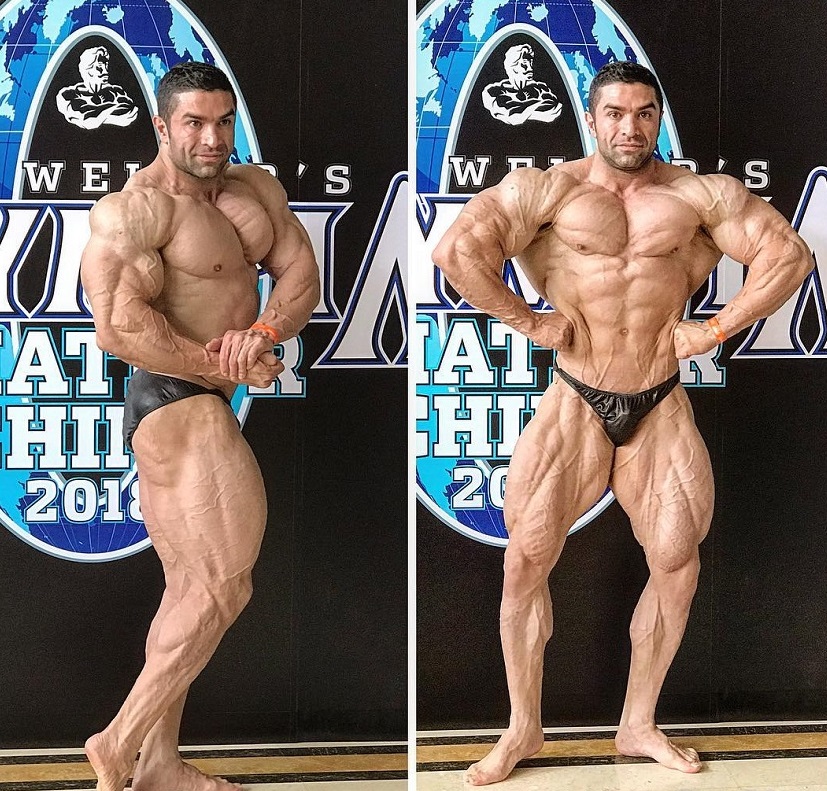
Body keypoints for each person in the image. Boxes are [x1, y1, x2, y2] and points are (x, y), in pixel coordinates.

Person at [432, 60, 813, 786]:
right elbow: (457, 252)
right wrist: (525, 319)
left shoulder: (698, 194)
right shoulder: (549, 189)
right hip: (575, 394)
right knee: (525, 557)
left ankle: (637, 723)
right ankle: (522, 728)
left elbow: (786, 255)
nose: (628, 127)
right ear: (591, 115)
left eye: (642, 113)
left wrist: (716, 327)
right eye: (614, 112)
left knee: (675, 559)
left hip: (658, 396)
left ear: (657, 117)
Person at [80, 61, 319, 791]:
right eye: (193, 123)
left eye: (222, 121)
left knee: (188, 590)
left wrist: (265, 329)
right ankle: (117, 741)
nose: (211, 137)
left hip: (211, 395)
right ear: (161, 126)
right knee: (222, 587)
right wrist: (222, 367)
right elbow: (118, 327)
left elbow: (301, 270)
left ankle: (158, 763)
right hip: (172, 398)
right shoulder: (137, 210)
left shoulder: (256, 191)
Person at [57, 46, 138, 129]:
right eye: (99, 67)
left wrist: (98, 115)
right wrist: (114, 110)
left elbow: (131, 113)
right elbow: (86, 120)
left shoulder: (116, 91)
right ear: (87, 70)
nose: (105, 71)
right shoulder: (67, 94)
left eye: (106, 65)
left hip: (116, 139)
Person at [482, 43, 562, 125]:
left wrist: (523, 110)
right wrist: (538, 104)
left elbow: (554, 109)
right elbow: (512, 116)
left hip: (542, 135)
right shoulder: (493, 90)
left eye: (530, 63)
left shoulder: (540, 87)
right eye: (524, 64)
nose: (530, 68)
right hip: (501, 136)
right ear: (513, 67)